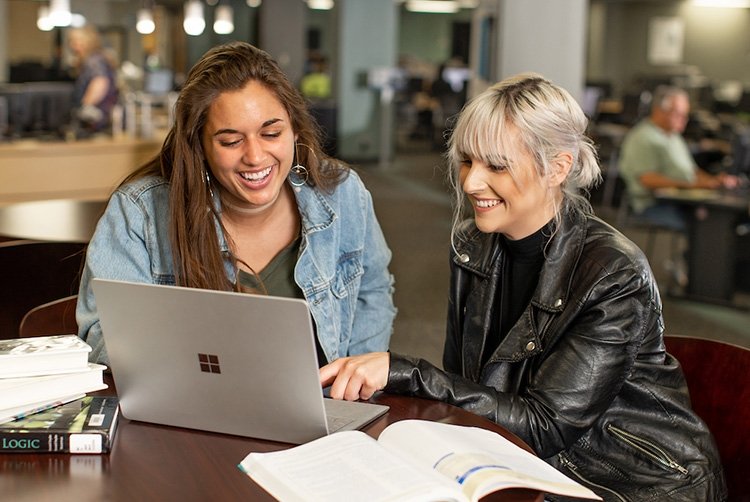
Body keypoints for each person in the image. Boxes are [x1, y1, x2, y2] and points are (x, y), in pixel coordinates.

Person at [320, 74, 726, 501]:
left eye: (496, 165)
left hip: (630, 485)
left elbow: (546, 426)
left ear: (558, 167)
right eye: (467, 161)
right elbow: (465, 383)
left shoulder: (612, 273)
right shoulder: (473, 244)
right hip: (521, 460)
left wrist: (405, 371)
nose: (472, 183)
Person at [77, 41, 396, 366]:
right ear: (199, 146)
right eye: (230, 141)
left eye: (271, 134)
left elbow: (372, 290)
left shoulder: (343, 193)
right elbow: (103, 333)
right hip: (192, 411)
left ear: (295, 131)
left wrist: (354, 388)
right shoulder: (140, 212)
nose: (255, 157)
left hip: (330, 408)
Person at [619, 85, 737, 231]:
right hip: (654, 205)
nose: (684, 120)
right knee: (707, 225)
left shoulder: (674, 136)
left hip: (683, 201)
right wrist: (691, 185)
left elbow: (692, 171)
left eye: (685, 115)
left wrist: (713, 181)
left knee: (720, 218)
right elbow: (647, 179)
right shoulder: (642, 137)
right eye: (678, 114)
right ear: (659, 111)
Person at [67, 24, 119, 133]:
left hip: (97, 118)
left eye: (75, 42)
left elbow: (100, 82)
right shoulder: (97, 58)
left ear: (87, 42)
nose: (72, 46)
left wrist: (86, 105)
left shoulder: (93, 60)